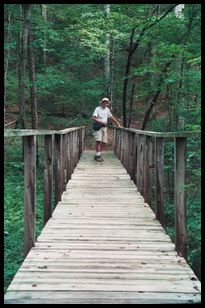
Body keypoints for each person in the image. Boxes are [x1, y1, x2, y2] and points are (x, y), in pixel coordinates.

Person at [92, 97, 121, 162]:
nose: (105, 103)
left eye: (106, 102)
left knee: (104, 142)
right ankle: (97, 155)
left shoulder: (107, 109)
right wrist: (101, 122)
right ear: (101, 102)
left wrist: (117, 123)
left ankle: (98, 154)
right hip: (98, 127)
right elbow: (93, 118)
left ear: (108, 104)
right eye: (104, 102)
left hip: (104, 127)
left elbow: (111, 117)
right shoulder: (97, 109)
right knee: (98, 141)